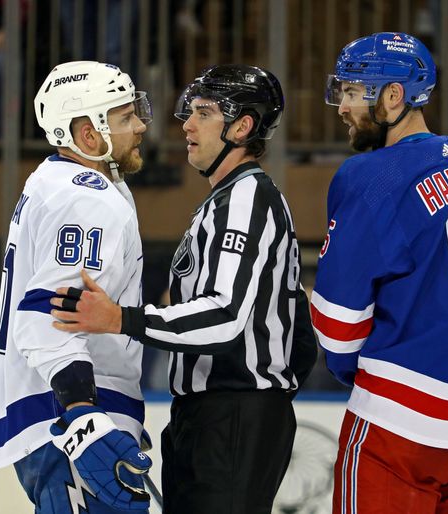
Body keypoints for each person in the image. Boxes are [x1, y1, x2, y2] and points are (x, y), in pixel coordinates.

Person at [49, 64, 318, 514]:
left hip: (233, 416)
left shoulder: (248, 197)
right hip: (213, 415)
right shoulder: (224, 201)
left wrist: (121, 319)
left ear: (242, 126)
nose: (186, 124)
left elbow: (226, 316)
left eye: (204, 113)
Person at [312, 33, 448, 513]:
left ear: (393, 96)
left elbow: (336, 329)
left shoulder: (369, 175)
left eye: (352, 92)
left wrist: (366, 376)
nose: (342, 107)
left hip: (403, 424)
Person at [0, 61, 155, 513]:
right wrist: (83, 413)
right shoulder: (86, 197)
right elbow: (47, 312)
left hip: (59, 412)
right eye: (123, 118)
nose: (139, 126)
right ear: (88, 135)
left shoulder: (58, 182)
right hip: (68, 418)